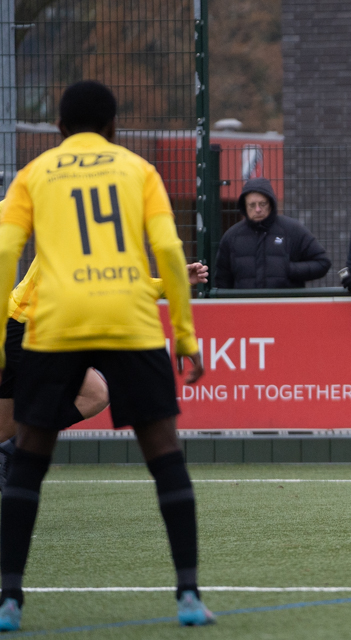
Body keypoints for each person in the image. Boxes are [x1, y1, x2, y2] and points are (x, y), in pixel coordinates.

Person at [0, 81, 214, 630]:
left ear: (59, 130)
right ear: (115, 127)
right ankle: (188, 594)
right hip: (127, 315)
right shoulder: (137, 170)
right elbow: (168, 249)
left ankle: (9, 601)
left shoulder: (35, 173)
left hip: (57, 318)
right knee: (164, 452)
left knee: (28, 457)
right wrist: (185, 336)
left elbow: (4, 251)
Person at [0, 254, 209, 489]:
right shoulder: (71, 229)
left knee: (4, 430)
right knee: (95, 395)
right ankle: (15, 450)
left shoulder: (102, 237)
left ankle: (11, 450)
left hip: (32, 329)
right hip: (27, 328)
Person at [214, 177, 330, 289]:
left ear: (271, 203)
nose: (258, 209)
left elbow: (322, 263)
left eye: (262, 204)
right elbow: (222, 280)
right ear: (244, 206)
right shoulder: (232, 237)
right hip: (246, 307)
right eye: (252, 205)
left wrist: (288, 269)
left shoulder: (292, 230)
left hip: (285, 306)